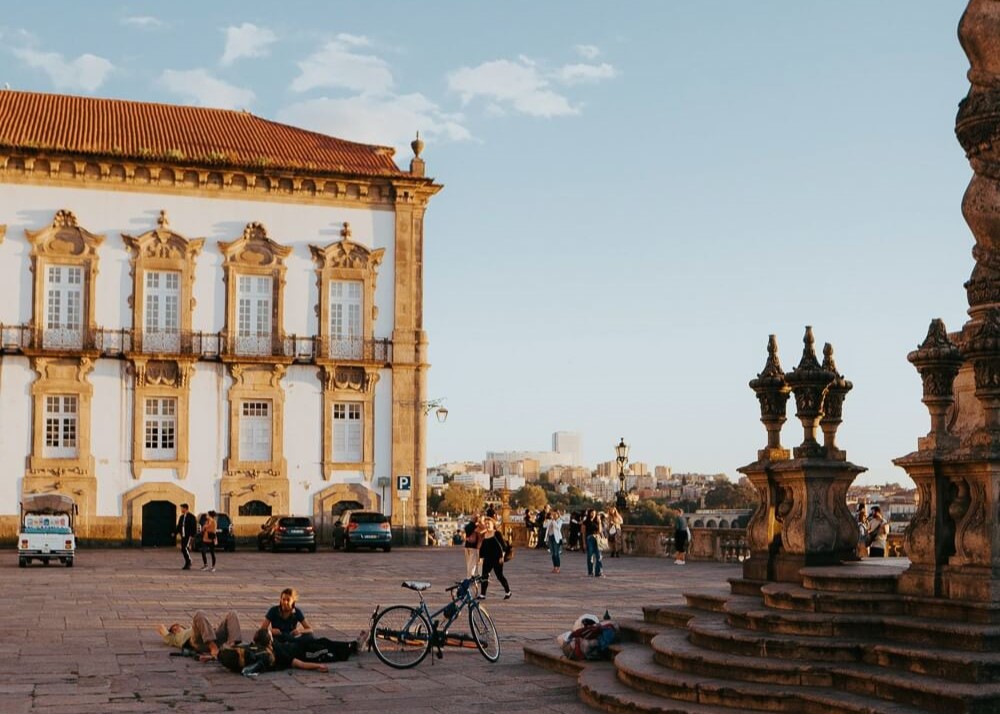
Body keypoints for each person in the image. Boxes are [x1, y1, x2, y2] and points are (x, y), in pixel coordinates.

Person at [157, 610, 242, 661]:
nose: (176, 628)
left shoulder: (189, 628)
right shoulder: (173, 638)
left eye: (177, 626)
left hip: (214, 636)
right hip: (197, 642)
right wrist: (168, 632)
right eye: (173, 629)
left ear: (183, 627)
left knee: (232, 613)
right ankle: (212, 646)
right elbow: (161, 627)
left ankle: (235, 646)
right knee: (199, 613)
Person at [476, 507, 512, 600]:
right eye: (486, 524)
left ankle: (508, 591)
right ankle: (483, 594)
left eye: (489, 524)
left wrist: (502, 556)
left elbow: (503, 546)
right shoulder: (486, 535)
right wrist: (480, 558)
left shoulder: (497, 534)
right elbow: (483, 548)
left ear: (493, 524)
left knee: (499, 576)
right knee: (484, 576)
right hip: (488, 558)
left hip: (497, 558)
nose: (487, 525)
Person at [174, 503, 197, 570]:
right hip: (183, 535)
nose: (181, 509)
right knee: (183, 549)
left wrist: (193, 535)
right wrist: (175, 533)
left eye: (182, 508)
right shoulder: (181, 517)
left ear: (185, 508)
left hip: (188, 535)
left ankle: (189, 561)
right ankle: (187, 563)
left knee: (185, 548)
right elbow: (179, 526)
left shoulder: (192, 517)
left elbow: (194, 526)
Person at [582, 508, 604, 577]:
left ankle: (598, 572)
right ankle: (590, 572)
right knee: (590, 556)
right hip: (589, 539)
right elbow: (583, 533)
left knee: (599, 556)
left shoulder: (597, 521)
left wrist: (600, 522)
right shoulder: (585, 522)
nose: (593, 514)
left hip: (597, 539)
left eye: (594, 513)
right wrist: (584, 543)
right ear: (589, 513)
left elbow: (600, 531)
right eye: (592, 513)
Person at [544, 509, 565, 573]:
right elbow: (544, 526)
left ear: (558, 515)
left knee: (556, 553)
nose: (553, 515)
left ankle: (558, 567)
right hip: (550, 537)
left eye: (555, 514)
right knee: (552, 554)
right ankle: (554, 567)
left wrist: (553, 521)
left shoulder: (560, 521)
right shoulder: (550, 521)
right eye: (552, 514)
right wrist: (546, 521)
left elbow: (558, 527)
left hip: (556, 538)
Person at [463, 514, 481, 578]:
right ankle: (469, 578)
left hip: (467, 546)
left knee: (468, 563)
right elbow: (479, 537)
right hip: (473, 547)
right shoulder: (477, 527)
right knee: (472, 564)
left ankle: (468, 577)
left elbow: (464, 535)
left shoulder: (467, 526)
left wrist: (467, 539)